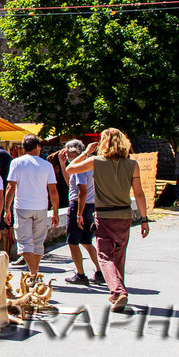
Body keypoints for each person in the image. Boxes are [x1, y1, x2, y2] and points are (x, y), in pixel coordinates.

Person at [65, 129, 149, 312]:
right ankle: (117, 292)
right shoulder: (132, 164)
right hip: (124, 215)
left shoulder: (96, 161)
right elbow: (139, 193)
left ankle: (118, 292)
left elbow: (69, 168)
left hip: (104, 214)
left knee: (104, 256)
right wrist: (144, 219)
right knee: (119, 254)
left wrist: (86, 152)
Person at [6, 134, 60, 278]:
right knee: (38, 242)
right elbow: (53, 191)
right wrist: (55, 211)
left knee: (24, 242)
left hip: (22, 206)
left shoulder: (17, 163)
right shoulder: (46, 165)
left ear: (24, 148)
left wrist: (7, 209)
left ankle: (33, 273)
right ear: (37, 147)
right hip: (41, 206)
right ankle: (34, 273)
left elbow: (10, 188)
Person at [60, 139, 103, 286]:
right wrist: (62, 163)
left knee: (73, 242)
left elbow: (81, 191)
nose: (66, 154)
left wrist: (78, 214)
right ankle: (99, 271)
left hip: (80, 205)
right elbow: (70, 183)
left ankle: (80, 274)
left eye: (68, 151)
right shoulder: (88, 165)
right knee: (86, 241)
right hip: (90, 205)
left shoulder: (79, 167)